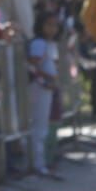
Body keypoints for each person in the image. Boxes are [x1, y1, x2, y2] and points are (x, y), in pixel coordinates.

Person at [24, 10, 58, 176]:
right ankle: (36, 163)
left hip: (47, 89)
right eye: (48, 25)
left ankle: (40, 161)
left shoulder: (50, 43)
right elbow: (33, 65)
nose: (52, 29)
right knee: (38, 126)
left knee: (42, 126)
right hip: (39, 89)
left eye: (54, 25)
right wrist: (46, 80)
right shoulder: (38, 43)